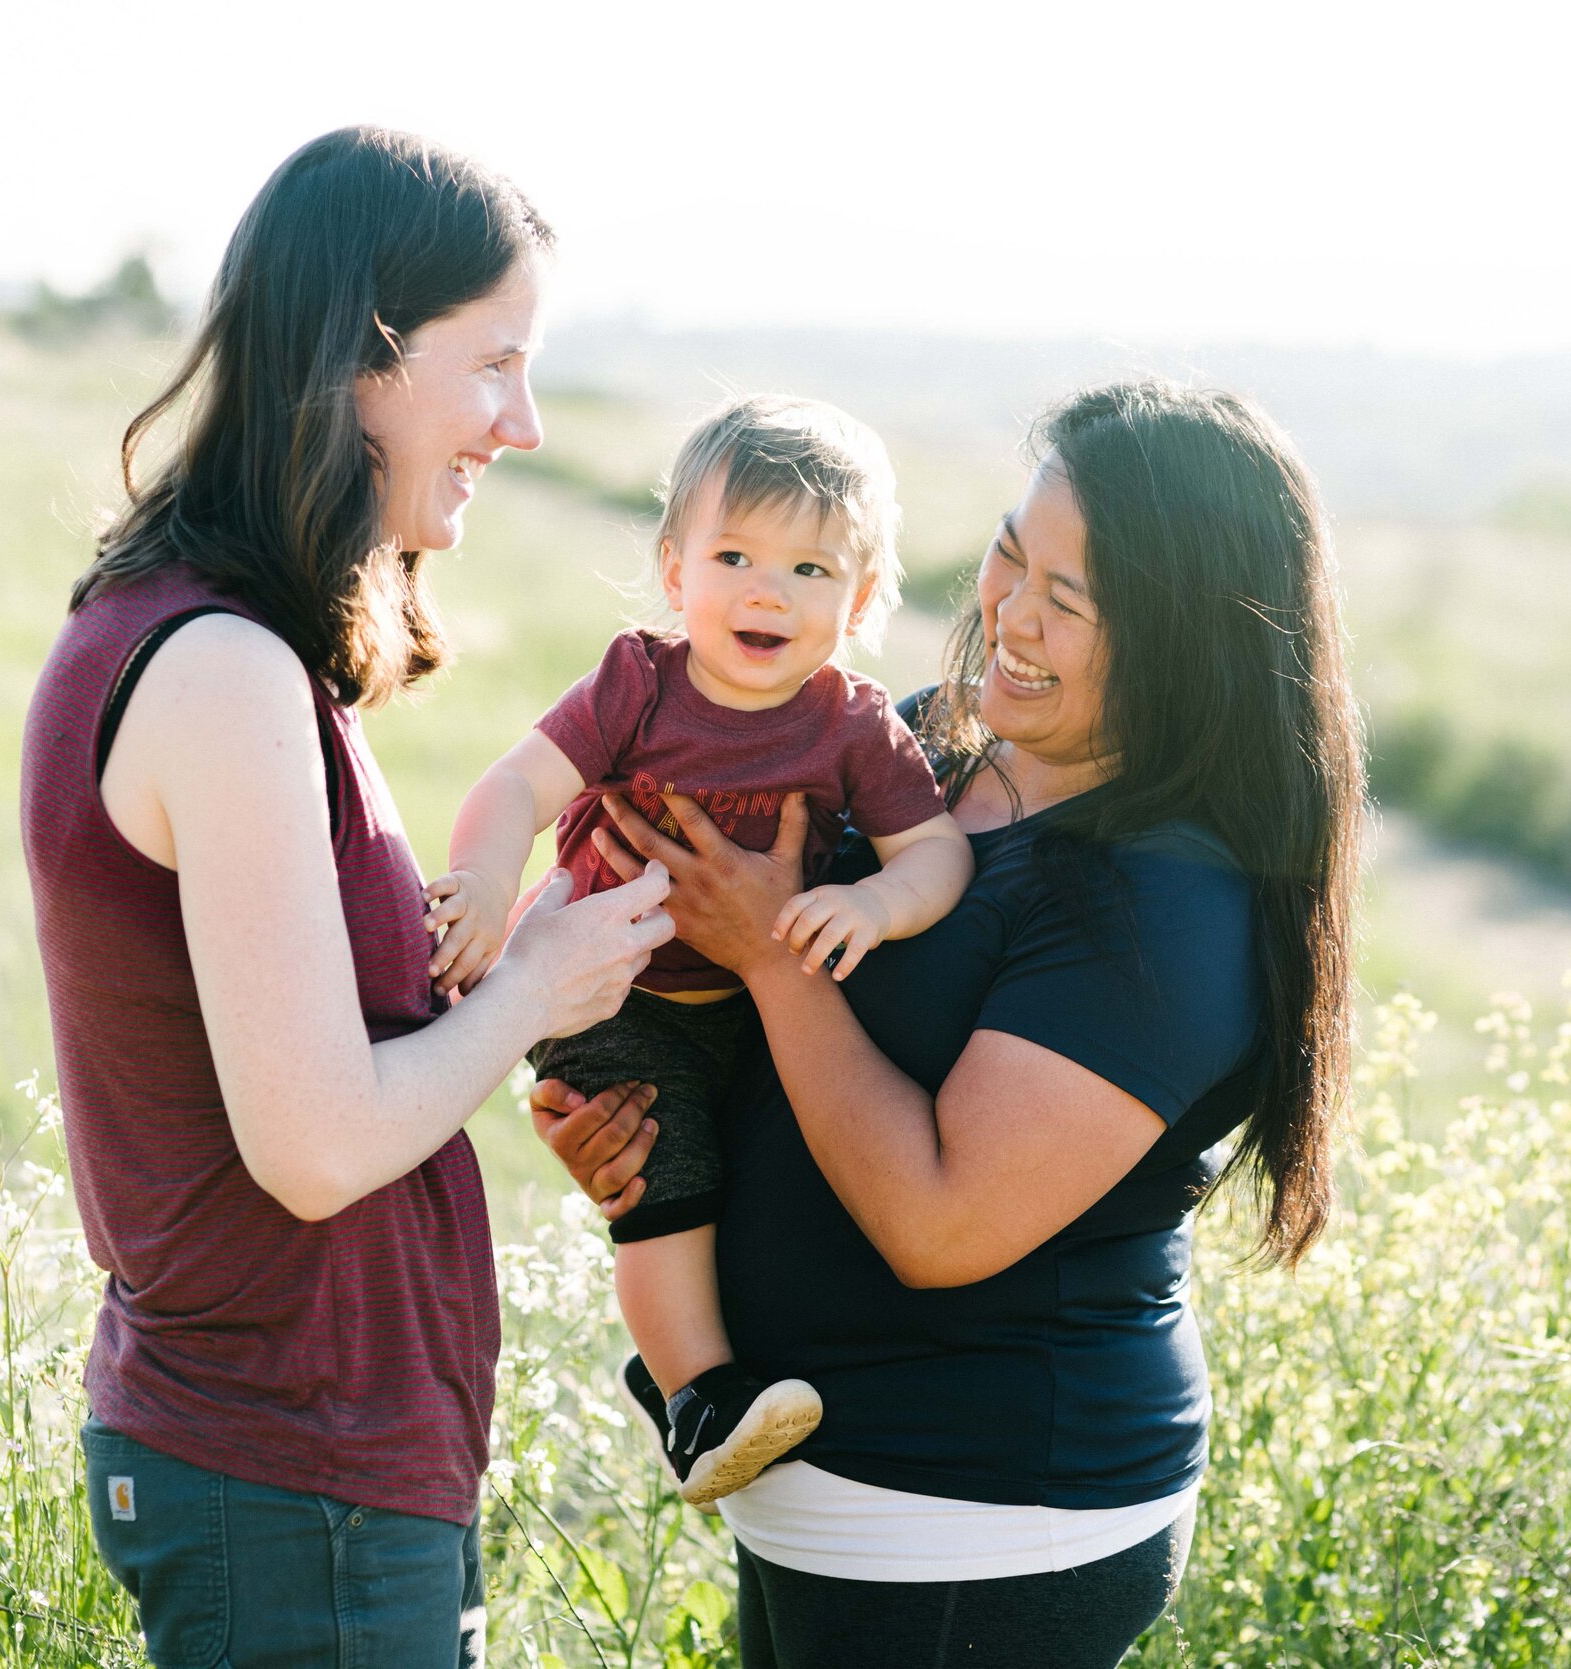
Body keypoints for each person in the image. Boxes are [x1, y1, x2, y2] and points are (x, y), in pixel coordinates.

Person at [535, 381, 1364, 1668]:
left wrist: (769, 959)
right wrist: (643, 1114)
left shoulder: (1169, 899)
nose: (1011, 616)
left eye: (1069, 603)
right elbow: (772, 1039)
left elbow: (938, 1223)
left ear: (1186, 638)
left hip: (980, 1529)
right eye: (1010, 555)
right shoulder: (928, 745)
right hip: (821, 1500)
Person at [20, 127, 671, 1669]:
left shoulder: (227, 645)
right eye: (494, 362)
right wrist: (531, 989)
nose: (521, 423)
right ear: (363, 360)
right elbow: (313, 1146)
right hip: (288, 1476)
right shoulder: (221, 668)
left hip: (314, 1472)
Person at [428, 396, 973, 1507]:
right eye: (734, 555)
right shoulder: (639, 683)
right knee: (664, 1181)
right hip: (607, 986)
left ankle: (744, 1366)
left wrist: (876, 907)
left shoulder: (855, 725)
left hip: (751, 1002)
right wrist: (487, 884)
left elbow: (937, 857)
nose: (766, 590)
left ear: (863, 599)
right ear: (675, 570)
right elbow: (516, 785)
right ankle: (698, 1398)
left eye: (811, 570)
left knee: (759, 1172)